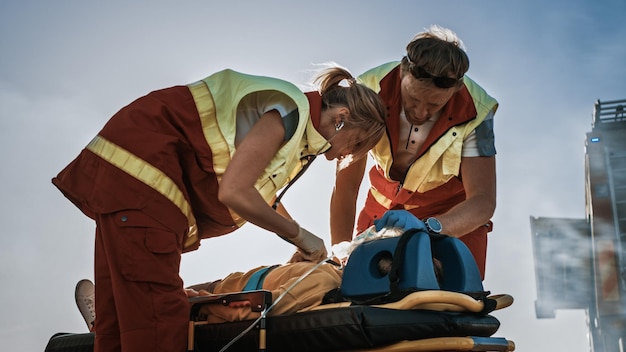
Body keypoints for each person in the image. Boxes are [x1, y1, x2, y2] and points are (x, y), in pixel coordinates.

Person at [52, 65, 386, 352]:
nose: (341, 156)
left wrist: (299, 242)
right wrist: (302, 236)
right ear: (341, 118)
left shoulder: (294, 130)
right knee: (161, 320)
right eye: (355, 145)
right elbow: (236, 192)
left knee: (118, 325)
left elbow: (257, 194)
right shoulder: (290, 110)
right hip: (146, 180)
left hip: (129, 181)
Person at [330, 25, 498, 279]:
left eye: (434, 105)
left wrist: (430, 228)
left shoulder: (477, 110)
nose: (420, 113)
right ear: (402, 72)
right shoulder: (369, 90)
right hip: (380, 214)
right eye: (413, 99)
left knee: (448, 296)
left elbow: (482, 200)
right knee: (360, 287)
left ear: (456, 89)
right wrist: (340, 252)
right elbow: (346, 186)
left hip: (451, 218)